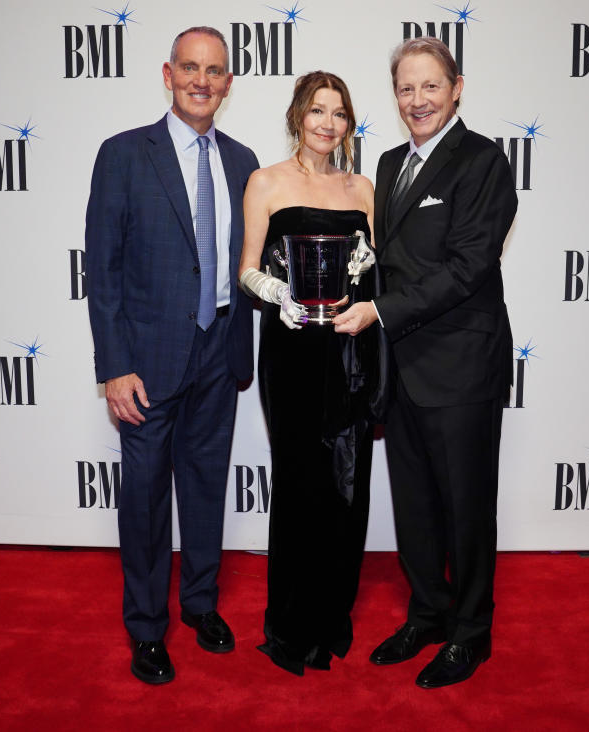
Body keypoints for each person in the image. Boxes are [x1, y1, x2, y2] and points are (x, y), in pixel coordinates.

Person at [334, 37, 517, 688]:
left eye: (430, 86)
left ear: (457, 87)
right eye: (406, 89)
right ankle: (428, 614)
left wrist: (380, 312)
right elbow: (383, 259)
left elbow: (468, 268)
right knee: (413, 506)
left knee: (465, 507)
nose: (418, 100)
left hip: (461, 366)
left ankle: (471, 633)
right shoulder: (387, 164)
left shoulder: (483, 161)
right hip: (401, 369)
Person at [85, 26, 259, 685]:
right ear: (168, 73)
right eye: (191, 67)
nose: (202, 81)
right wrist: (113, 366)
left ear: (228, 83)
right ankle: (148, 631)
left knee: (208, 486)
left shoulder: (243, 161)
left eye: (215, 71)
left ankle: (202, 606)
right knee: (148, 499)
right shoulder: (125, 154)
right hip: (147, 361)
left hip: (220, 349)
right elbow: (101, 271)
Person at [238, 71, 383, 675]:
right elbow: (246, 269)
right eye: (317, 110)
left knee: (348, 482)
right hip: (293, 350)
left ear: (350, 124)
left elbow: (379, 273)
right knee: (300, 481)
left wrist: (367, 274)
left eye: (340, 113)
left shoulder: (365, 188)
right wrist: (279, 295)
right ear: (298, 114)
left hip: (351, 350)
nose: (328, 122)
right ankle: (293, 622)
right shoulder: (265, 182)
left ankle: (333, 613)